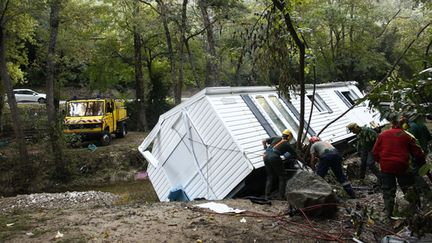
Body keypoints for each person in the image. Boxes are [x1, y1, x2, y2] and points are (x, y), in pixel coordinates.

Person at [373, 113, 425, 219]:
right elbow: (418, 153)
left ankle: (389, 213)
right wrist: (421, 163)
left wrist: (382, 162)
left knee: (388, 191)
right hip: (402, 165)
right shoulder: (406, 135)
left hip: (386, 166)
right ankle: (417, 210)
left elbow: (375, 153)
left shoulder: (382, 135)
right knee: (408, 188)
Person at [262, 129, 297, 200]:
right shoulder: (287, 144)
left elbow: (263, 140)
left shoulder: (277, 138)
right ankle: (281, 197)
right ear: (289, 137)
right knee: (282, 176)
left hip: (265, 156)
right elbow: (295, 155)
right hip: (274, 157)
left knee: (270, 176)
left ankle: (267, 196)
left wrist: (265, 148)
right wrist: (303, 161)